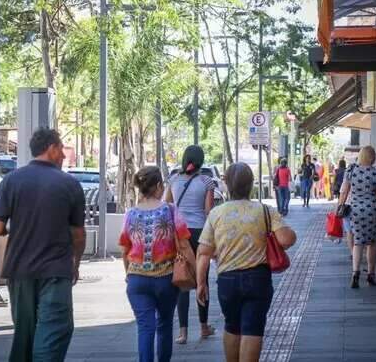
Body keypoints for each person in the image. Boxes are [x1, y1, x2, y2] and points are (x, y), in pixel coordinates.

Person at [0, 128, 86, 362]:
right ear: (52, 148)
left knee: (25, 333)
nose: (64, 156)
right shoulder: (69, 184)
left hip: (19, 270)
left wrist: (18, 228)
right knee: (54, 330)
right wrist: (76, 264)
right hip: (55, 270)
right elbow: (78, 234)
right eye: (62, 149)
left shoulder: (11, 180)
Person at [196, 163, 296, 362]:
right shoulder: (265, 211)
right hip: (257, 278)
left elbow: (203, 252)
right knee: (253, 328)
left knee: (232, 325)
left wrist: (200, 284)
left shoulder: (217, 213)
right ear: (251, 185)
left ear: (227, 185)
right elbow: (286, 239)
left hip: (227, 280)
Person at [119, 166, 191, 362]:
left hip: (136, 280)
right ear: (159, 186)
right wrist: (196, 271)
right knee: (165, 324)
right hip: (165, 279)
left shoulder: (130, 214)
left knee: (145, 327)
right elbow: (184, 244)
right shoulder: (170, 210)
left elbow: (125, 249)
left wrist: (129, 274)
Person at [164, 145, 216, 344]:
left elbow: (167, 204)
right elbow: (208, 211)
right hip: (200, 234)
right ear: (201, 161)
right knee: (202, 278)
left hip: (179, 234)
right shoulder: (207, 181)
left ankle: (183, 333)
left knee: (183, 278)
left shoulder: (174, 180)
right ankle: (204, 327)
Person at [337, 146, 376, 288]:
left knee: (358, 242)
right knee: (372, 243)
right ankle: (370, 275)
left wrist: (339, 207)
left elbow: (343, 191)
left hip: (356, 211)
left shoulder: (351, 170)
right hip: (373, 211)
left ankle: (355, 274)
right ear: (372, 157)